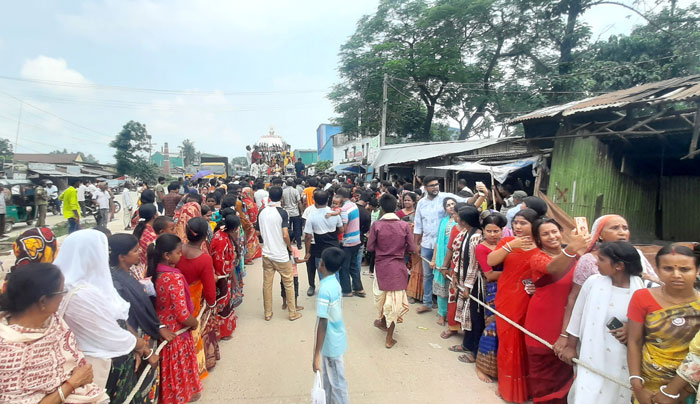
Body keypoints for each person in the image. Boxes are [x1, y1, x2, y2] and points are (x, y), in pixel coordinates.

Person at [54, 230, 149, 400]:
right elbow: (109, 335)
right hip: (104, 366)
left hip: (110, 357)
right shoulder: (80, 294)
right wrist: (139, 343)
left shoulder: (82, 283)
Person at [0, 263, 108, 404]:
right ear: (43, 301)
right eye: (62, 292)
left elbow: (73, 361)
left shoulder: (53, 321)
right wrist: (72, 384)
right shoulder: (7, 350)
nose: (63, 296)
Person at [552, 214, 656, 357]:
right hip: (594, 329)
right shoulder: (590, 261)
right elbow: (574, 300)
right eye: (615, 228)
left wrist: (633, 328)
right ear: (600, 235)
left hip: (628, 336)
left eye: (625, 228)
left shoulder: (637, 255)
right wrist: (566, 337)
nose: (621, 232)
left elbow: (655, 296)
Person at [559, 241, 645, 404]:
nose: (596, 263)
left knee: (617, 392)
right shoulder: (592, 282)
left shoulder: (642, 289)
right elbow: (577, 315)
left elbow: (649, 323)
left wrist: (632, 330)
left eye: (602, 259)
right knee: (589, 392)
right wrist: (570, 346)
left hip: (621, 357)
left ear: (618, 266)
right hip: (592, 354)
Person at [522, 218, 590, 403]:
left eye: (555, 231)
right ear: (538, 239)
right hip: (544, 321)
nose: (552, 236)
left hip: (572, 319)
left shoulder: (576, 256)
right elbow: (553, 269)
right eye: (545, 234)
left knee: (568, 367)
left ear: (561, 232)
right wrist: (572, 248)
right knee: (544, 371)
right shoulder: (538, 257)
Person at [627, 245, 700, 404]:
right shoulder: (642, 297)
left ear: (697, 271)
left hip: (689, 385)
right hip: (648, 384)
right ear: (657, 271)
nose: (676, 275)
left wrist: (680, 393)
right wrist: (637, 386)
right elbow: (634, 341)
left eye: (685, 269)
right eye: (667, 269)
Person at [109, 233, 174, 403]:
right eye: (135, 250)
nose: (140, 252)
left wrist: (157, 326)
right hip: (136, 344)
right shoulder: (115, 282)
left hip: (144, 336)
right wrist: (141, 348)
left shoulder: (126, 273)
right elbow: (123, 319)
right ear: (122, 257)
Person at [487, 207, 541, 403]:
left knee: (526, 343)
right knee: (508, 343)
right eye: (516, 223)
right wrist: (510, 246)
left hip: (531, 302)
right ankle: (507, 387)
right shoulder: (507, 242)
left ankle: (527, 388)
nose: (518, 226)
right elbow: (490, 260)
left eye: (523, 223)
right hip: (507, 299)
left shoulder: (542, 245)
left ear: (534, 225)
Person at [147, 233, 203, 404]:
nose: (181, 255)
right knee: (177, 371)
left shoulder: (152, 272)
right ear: (167, 255)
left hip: (161, 328)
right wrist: (194, 323)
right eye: (178, 252)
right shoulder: (174, 277)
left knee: (167, 373)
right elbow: (182, 313)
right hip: (176, 333)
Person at [367, 193, 416, 349]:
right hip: (398, 267)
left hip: (381, 266)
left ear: (381, 207)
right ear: (396, 206)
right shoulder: (404, 226)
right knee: (394, 302)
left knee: (382, 297)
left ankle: (383, 323)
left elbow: (370, 248)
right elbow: (412, 248)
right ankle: (388, 336)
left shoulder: (376, 225)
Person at [413, 176, 466, 314]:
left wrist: (480, 196)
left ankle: (443, 306)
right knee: (427, 275)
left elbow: (466, 202)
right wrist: (416, 244)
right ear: (425, 188)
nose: (435, 187)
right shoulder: (421, 203)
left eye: (437, 184)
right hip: (426, 243)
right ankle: (427, 303)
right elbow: (418, 224)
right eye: (431, 185)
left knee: (444, 274)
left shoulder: (446, 197)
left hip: (444, 246)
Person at [177, 217, 218, 376]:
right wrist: (212, 304)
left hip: (177, 298)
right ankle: (197, 367)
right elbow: (209, 290)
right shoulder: (203, 259)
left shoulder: (177, 250)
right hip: (194, 302)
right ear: (204, 235)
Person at [444, 206, 484, 364]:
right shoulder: (465, 233)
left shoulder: (476, 238)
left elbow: (474, 265)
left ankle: (475, 351)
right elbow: (459, 257)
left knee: (475, 317)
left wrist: (467, 286)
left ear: (464, 220)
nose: (454, 216)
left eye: (457, 215)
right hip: (462, 280)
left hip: (474, 284)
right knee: (467, 315)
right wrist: (455, 274)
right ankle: (467, 344)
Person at [257, 186, 302, 322]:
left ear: (269, 197)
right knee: (288, 283)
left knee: (267, 284)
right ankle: (292, 312)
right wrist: (289, 246)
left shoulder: (262, 212)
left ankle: (268, 313)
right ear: (281, 197)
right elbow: (285, 233)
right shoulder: (282, 213)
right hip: (281, 255)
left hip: (267, 253)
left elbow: (258, 232)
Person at [312, 247, 350, 404]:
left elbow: (323, 322)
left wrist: (316, 354)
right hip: (337, 337)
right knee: (329, 379)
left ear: (321, 264)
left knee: (338, 383)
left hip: (330, 343)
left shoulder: (324, 289)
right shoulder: (335, 282)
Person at [473, 213, 507, 383]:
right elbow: (489, 275)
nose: (493, 235)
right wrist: (511, 274)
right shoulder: (481, 248)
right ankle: (481, 366)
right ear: (483, 231)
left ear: (503, 230)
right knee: (492, 328)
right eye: (489, 231)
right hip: (493, 290)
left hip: (510, 290)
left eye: (496, 231)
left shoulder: (507, 244)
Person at [210, 213, 243, 339]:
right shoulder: (222, 240)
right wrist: (229, 271)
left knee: (226, 300)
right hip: (221, 276)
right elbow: (219, 260)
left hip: (224, 274)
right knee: (223, 301)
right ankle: (223, 331)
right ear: (234, 228)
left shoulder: (221, 233)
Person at [303, 190, 343, 293]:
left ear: (315, 201)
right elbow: (341, 230)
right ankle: (336, 294)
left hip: (320, 250)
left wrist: (307, 252)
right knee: (335, 273)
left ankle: (327, 295)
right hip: (335, 248)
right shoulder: (334, 214)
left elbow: (308, 236)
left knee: (323, 275)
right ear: (328, 201)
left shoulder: (311, 216)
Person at [428, 197, 456, 323]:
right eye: (448, 205)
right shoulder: (444, 221)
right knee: (441, 287)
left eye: (452, 204)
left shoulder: (461, 222)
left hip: (455, 258)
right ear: (445, 208)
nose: (451, 206)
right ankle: (441, 313)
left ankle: (452, 317)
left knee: (453, 288)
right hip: (441, 257)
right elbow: (438, 242)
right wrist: (434, 259)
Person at [336, 187, 365, 298]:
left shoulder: (344, 209)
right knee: (354, 266)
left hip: (347, 242)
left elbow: (343, 229)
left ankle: (347, 290)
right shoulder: (353, 205)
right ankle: (359, 289)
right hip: (356, 240)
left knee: (344, 267)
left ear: (341, 198)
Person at [134, 204, 158, 273]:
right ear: (154, 216)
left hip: (140, 268)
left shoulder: (139, 229)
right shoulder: (152, 235)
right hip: (149, 270)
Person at [240, 187, 262, 263]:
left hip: (242, 224)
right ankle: (249, 257)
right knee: (250, 240)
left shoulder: (241, 202)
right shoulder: (250, 203)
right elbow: (254, 214)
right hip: (249, 224)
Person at [282, 178, 303, 249]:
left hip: (287, 212)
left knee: (287, 229)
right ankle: (299, 244)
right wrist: (301, 211)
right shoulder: (296, 191)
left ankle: (288, 244)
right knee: (297, 229)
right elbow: (299, 202)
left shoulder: (283, 191)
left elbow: (282, 202)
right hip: (295, 212)